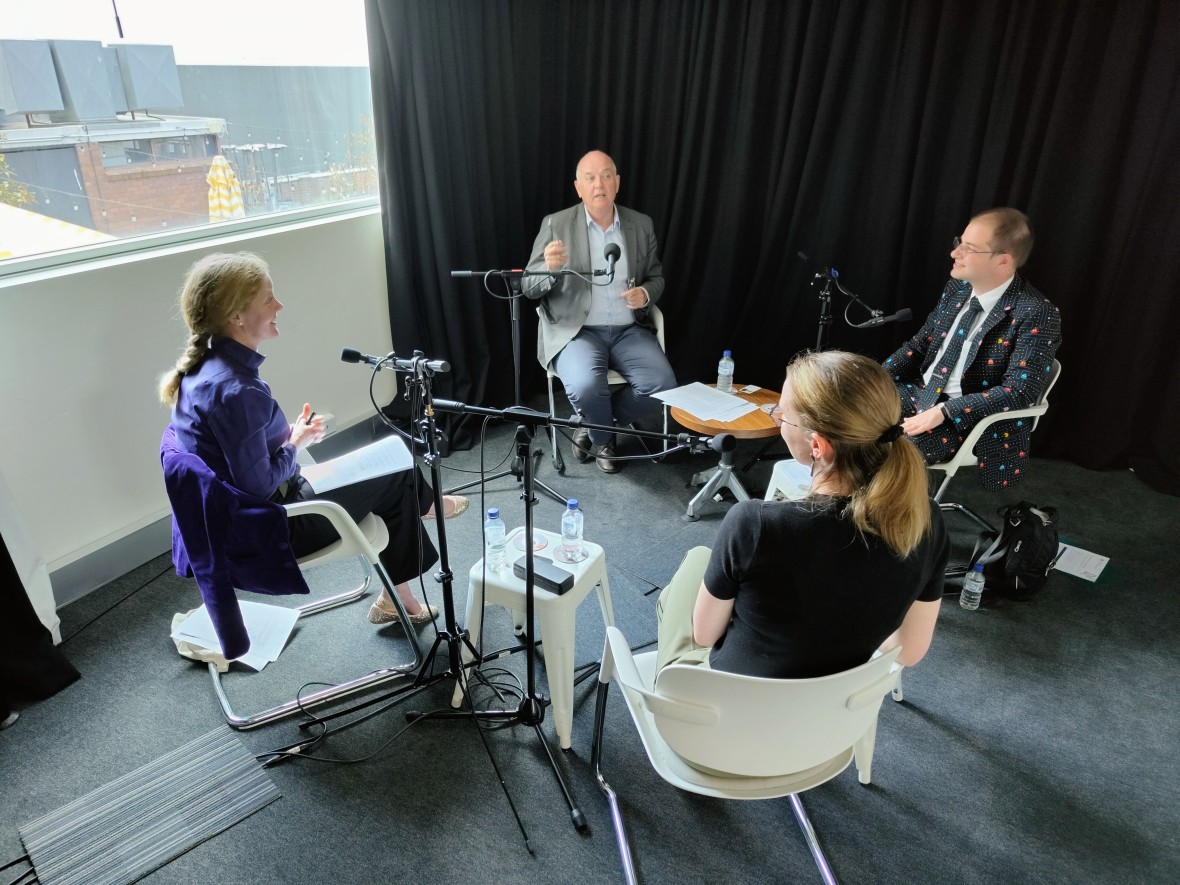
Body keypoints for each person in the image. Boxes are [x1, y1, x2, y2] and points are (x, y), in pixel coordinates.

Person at [159, 252, 469, 627]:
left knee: (394, 469)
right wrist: (295, 445)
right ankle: (420, 517)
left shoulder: (204, 370)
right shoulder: (238, 390)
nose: (280, 305)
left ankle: (399, 587)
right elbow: (256, 484)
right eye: (268, 298)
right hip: (273, 529)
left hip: (235, 520)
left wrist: (291, 436)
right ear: (237, 316)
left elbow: (232, 452)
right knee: (399, 473)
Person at [656, 351, 948, 678]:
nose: (777, 417)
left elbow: (705, 636)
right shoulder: (927, 521)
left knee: (693, 566)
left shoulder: (755, 525)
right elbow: (908, 651)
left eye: (783, 412)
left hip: (727, 715)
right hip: (834, 720)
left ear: (818, 446)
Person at [884, 208, 1062, 490]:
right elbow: (919, 346)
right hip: (920, 392)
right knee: (842, 415)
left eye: (970, 249)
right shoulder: (957, 288)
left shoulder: (1036, 312)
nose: (955, 254)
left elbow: (1019, 392)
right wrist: (872, 380)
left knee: (885, 453)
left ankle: (874, 523)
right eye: (960, 243)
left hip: (965, 420)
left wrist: (944, 411)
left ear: (1003, 260)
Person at [524, 150, 677, 473]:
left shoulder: (640, 224)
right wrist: (549, 270)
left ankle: (593, 425)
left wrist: (646, 292)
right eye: (590, 178)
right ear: (578, 187)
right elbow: (528, 286)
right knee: (584, 386)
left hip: (628, 330)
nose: (599, 184)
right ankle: (605, 440)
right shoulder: (556, 224)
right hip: (577, 331)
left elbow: (657, 277)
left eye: (606, 175)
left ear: (617, 183)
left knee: (664, 385)